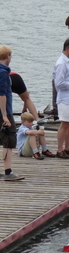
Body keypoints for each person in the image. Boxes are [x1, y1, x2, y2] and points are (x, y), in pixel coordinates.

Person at [0, 46, 24, 180]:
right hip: (4, 111)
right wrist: (4, 115)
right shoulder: (3, 72)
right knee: (9, 139)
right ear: (8, 56)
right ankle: (8, 172)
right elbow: (2, 95)